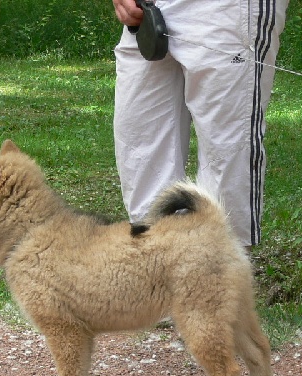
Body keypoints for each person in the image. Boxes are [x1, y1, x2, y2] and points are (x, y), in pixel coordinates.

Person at [112, 0, 290, 248]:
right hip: (148, 10)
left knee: (225, 168)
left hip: (225, 9)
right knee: (140, 155)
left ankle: (217, 277)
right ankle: (159, 273)